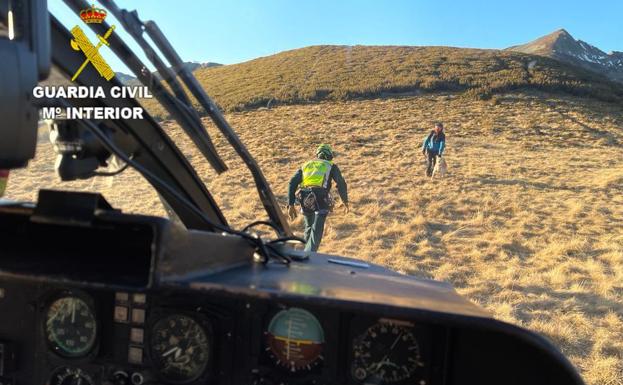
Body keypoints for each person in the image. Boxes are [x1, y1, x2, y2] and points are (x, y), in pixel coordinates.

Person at [287, 144, 349, 252]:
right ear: (330, 155)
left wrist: (291, 204)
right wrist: (345, 201)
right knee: (317, 230)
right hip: (321, 197)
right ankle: (310, 255)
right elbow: (341, 182)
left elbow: (292, 182)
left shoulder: (306, 164)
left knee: (309, 227)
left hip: (305, 197)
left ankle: (305, 251)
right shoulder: (331, 165)